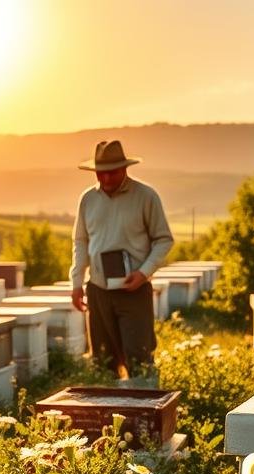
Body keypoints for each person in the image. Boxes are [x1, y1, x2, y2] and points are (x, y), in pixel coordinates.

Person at [70, 140, 174, 379]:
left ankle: (146, 411)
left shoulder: (146, 196)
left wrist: (144, 272)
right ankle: (107, 414)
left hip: (133, 291)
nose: (106, 179)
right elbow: (80, 241)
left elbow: (164, 240)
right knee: (102, 360)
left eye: (112, 173)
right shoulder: (87, 199)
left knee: (140, 357)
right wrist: (76, 283)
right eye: (101, 173)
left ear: (125, 168)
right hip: (97, 291)